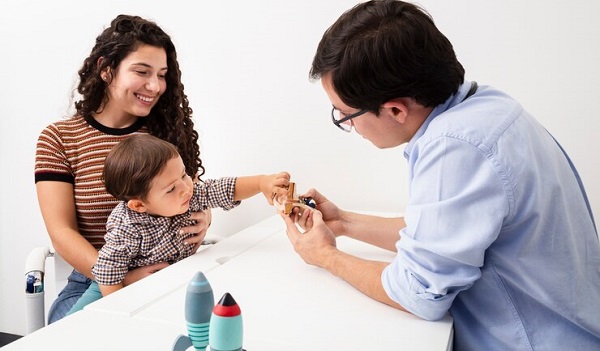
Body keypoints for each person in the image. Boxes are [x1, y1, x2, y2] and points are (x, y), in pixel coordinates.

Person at [281, 1, 600, 350]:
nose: (350, 126)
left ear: (396, 109)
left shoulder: (454, 147)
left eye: (345, 116)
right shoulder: (488, 107)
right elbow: (442, 236)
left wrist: (326, 256)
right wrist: (343, 222)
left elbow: (417, 295)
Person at [33, 14, 281, 324]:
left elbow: (194, 193)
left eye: (162, 74)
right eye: (142, 71)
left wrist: (202, 219)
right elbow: (62, 232)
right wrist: (123, 280)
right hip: (95, 280)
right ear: (105, 70)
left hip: (175, 271)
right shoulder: (60, 138)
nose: (155, 86)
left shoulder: (163, 133)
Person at [65, 134, 289, 314]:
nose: (185, 187)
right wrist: (121, 308)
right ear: (139, 205)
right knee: (76, 323)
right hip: (116, 285)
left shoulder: (188, 195)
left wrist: (262, 182)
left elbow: (225, 188)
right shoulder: (128, 228)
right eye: (171, 188)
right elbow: (107, 272)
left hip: (173, 278)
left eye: (183, 174)